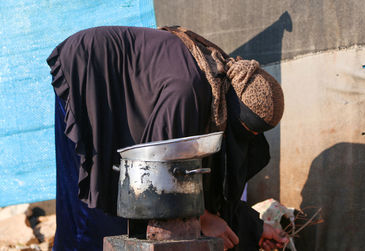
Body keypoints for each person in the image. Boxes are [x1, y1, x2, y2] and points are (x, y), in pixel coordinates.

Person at [47, 25, 287, 250]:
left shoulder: (217, 88)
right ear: (234, 112)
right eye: (247, 131)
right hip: (87, 72)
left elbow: (203, 180)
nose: (246, 140)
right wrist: (202, 218)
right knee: (98, 206)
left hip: (119, 86)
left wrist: (254, 229)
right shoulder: (187, 93)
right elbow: (155, 172)